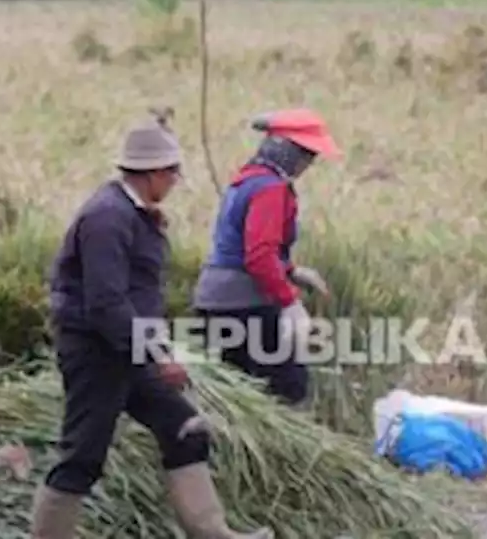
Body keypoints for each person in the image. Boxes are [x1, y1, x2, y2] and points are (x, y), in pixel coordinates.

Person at [31, 119, 268, 539]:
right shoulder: (106, 217)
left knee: (186, 429)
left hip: (129, 349)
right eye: (173, 173)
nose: (176, 182)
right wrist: (158, 355)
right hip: (97, 353)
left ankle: (213, 534)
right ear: (155, 173)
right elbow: (107, 304)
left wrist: (153, 348)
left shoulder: (135, 214)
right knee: (82, 456)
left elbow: (134, 297)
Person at [193, 108, 341, 407]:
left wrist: (291, 269)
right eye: (306, 154)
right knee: (286, 389)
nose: (308, 163)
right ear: (286, 151)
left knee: (238, 395)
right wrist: (290, 302)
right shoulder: (270, 189)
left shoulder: (248, 179)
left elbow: (242, 244)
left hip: (216, 300)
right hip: (243, 304)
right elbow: (259, 255)